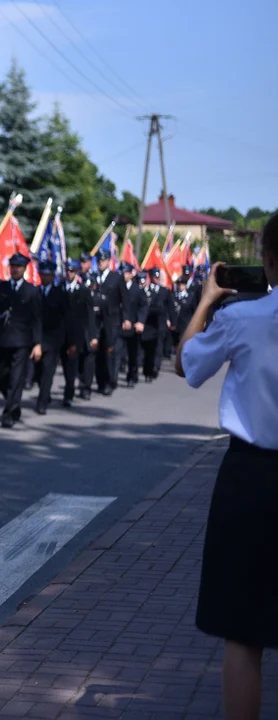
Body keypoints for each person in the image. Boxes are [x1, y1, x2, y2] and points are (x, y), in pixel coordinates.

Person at [176, 214, 278, 720]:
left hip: (253, 479)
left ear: (268, 259)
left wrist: (207, 300)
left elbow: (186, 364)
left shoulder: (242, 318)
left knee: (243, 632)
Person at [0, 253, 41, 428]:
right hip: (1, 339)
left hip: (22, 341)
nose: (15, 269)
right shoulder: (0, 288)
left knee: (16, 378)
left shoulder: (32, 290)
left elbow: (37, 318)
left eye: (19, 266)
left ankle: (9, 412)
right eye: (13, 266)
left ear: (24, 269)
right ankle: (13, 404)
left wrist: (37, 343)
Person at [34, 260, 72, 415]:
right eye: (42, 274)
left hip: (53, 340)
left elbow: (67, 318)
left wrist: (67, 341)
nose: (44, 277)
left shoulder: (60, 294)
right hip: (35, 339)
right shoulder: (34, 292)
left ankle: (42, 402)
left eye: (48, 275)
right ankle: (44, 393)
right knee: (37, 372)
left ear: (53, 276)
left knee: (48, 373)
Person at [61, 259, 97, 406]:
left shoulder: (83, 291)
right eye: (67, 271)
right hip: (59, 334)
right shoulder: (59, 289)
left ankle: (68, 394)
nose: (69, 274)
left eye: (72, 271)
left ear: (76, 273)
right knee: (61, 364)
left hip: (77, 335)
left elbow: (89, 315)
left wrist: (93, 336)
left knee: (71, 365)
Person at [93, 249, 128, 395]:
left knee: (109, 352)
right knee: (97, 353)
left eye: (103, 260)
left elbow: (125, 299)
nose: (101, 262)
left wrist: (127, 318)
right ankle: (100, 382)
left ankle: (110, 381)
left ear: (108, 261)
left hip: (112, 321)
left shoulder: (116, 278)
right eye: (99, 260)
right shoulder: (93, 277)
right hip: (95, 321)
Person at [140, 267, 175, 381]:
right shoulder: (145, 291)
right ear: (150, 277)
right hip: (148, 324)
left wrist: (173, 322)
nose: (157, 278)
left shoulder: (164, 291)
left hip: (160, 324)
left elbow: (170, 308)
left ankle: (155, 367)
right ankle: (147, 371)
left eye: (158, 276)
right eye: (155, 276)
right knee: (148, 349)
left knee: (158, 348)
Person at [118, 263, 146, 387]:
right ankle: (112, 378)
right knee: (116, 352)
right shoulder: (116, 288)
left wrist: (140, 321)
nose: (123, 275)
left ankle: (132, 376)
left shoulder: (137, 290)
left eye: (125, 272)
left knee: (132, 354)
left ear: (130, 274)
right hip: (118, 325)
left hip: (133, 327)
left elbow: (143, 306)